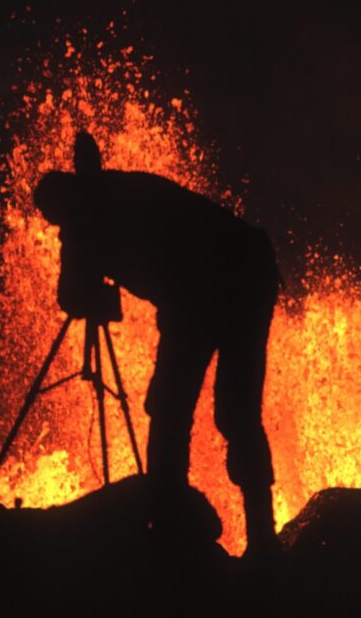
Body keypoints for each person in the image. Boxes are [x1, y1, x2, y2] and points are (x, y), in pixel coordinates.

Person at [34, 130, 282, 556]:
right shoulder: (112, 192)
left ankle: (177, 523)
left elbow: (73, 295)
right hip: (242, 271)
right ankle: (249, 534)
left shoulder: (90, 219)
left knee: (181, 407)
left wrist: (79, 258)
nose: (59, 232)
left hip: (219, 284)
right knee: (225, 410)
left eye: (56, 223)